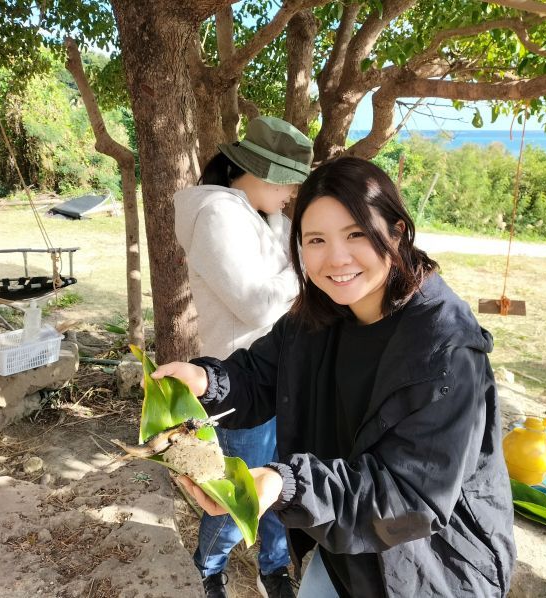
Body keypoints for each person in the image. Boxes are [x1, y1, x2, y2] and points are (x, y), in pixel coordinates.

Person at [154, 157, 517, 597]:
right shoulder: (316, 318)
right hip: (345, 542)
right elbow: (259, 376)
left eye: (356, 234)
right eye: (316, 240)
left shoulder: (444, 348)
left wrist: (284, 483)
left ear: (397, 232)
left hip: (430, 566)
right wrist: (204, 382)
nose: (336, 258)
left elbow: (408, 495)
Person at [173, 116, 314, 598]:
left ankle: (273, 565)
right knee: (236, 494)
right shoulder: (218, 214)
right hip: (241, 378)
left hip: (283, 372)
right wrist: (308, 271)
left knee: (278, 478)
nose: (291, 194)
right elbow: (254, 302)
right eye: (287, 182)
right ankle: (208, 565)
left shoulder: (264, 216)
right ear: (256, 171)